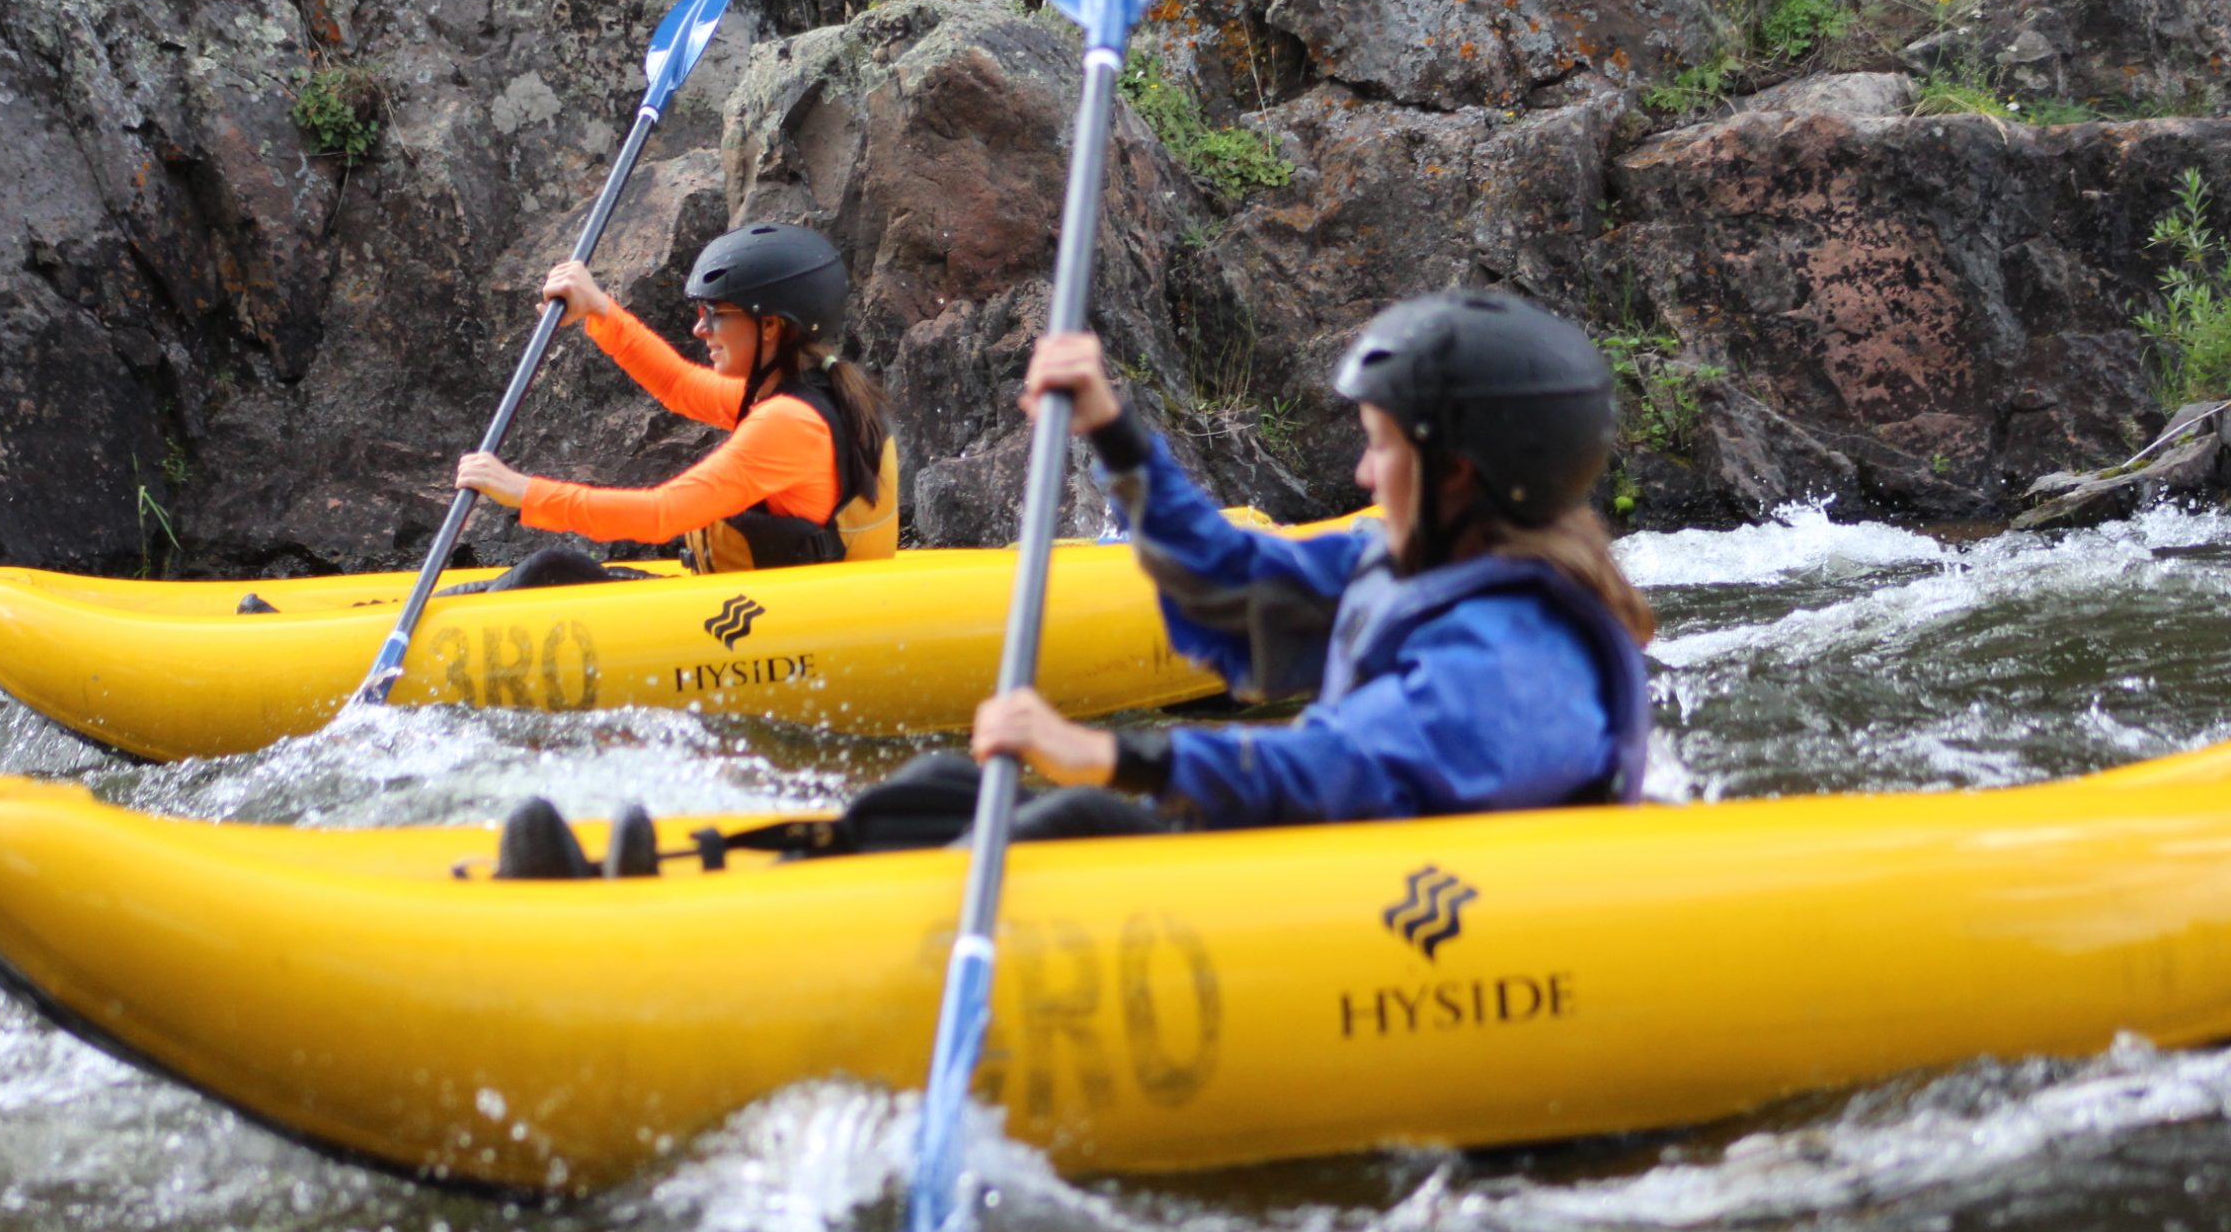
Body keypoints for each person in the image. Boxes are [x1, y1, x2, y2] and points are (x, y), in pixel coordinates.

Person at [490, 288, 1649, 879]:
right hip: (1320, 857)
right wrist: (1112, 430)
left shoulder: (1520, 653)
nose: (1357, 471)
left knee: (1079, 816)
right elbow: (1231, 573)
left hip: (1392, 904)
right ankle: (735, 868)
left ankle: (742, 941)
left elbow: (1347, 765)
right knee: (952, 788)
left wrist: (1121, 753)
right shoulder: (1397, 561)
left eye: (1381, 447)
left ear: (1460, 472)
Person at [444, 223, 899, 596]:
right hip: (779, 596)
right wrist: (599, 310)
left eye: (715, 313)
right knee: (553, 573)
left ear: (771, 326)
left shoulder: (788, 424)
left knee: (548, 569)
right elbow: (678, 385)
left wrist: (521, 491)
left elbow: (662, 513)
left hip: (781, 616)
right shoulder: (813, 391)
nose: (700, 329)